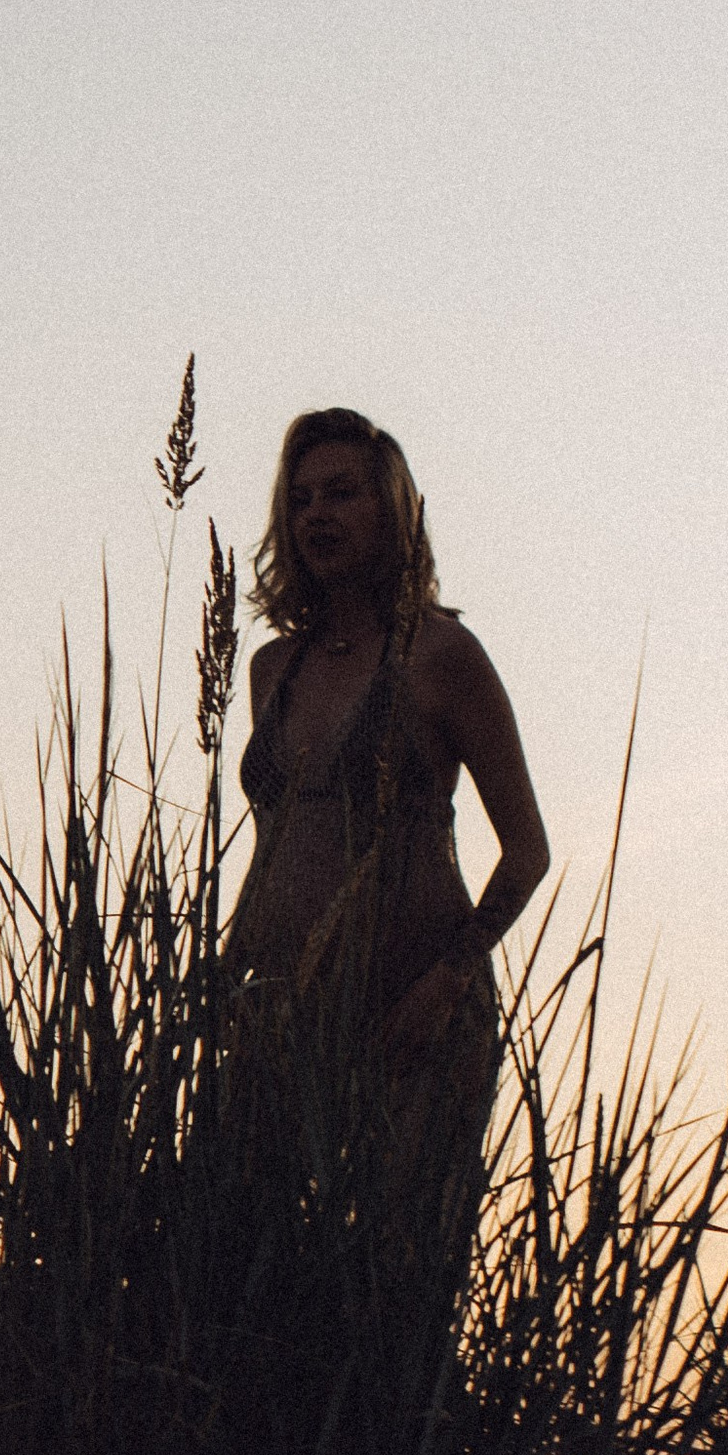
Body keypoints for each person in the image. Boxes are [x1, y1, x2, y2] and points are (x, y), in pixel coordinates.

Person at [224, 410, 550, 1355]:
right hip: (285, 1014)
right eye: (301, 495)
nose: (317, 512)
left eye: (343, 492)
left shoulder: (440, 655)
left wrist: (447, 980)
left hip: (416, 1013)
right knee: (264, 1270)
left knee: (400, 1287)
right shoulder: (271, 668)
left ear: (394, 509)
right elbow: (276, 846)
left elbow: (526, 848)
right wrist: (224, 978)